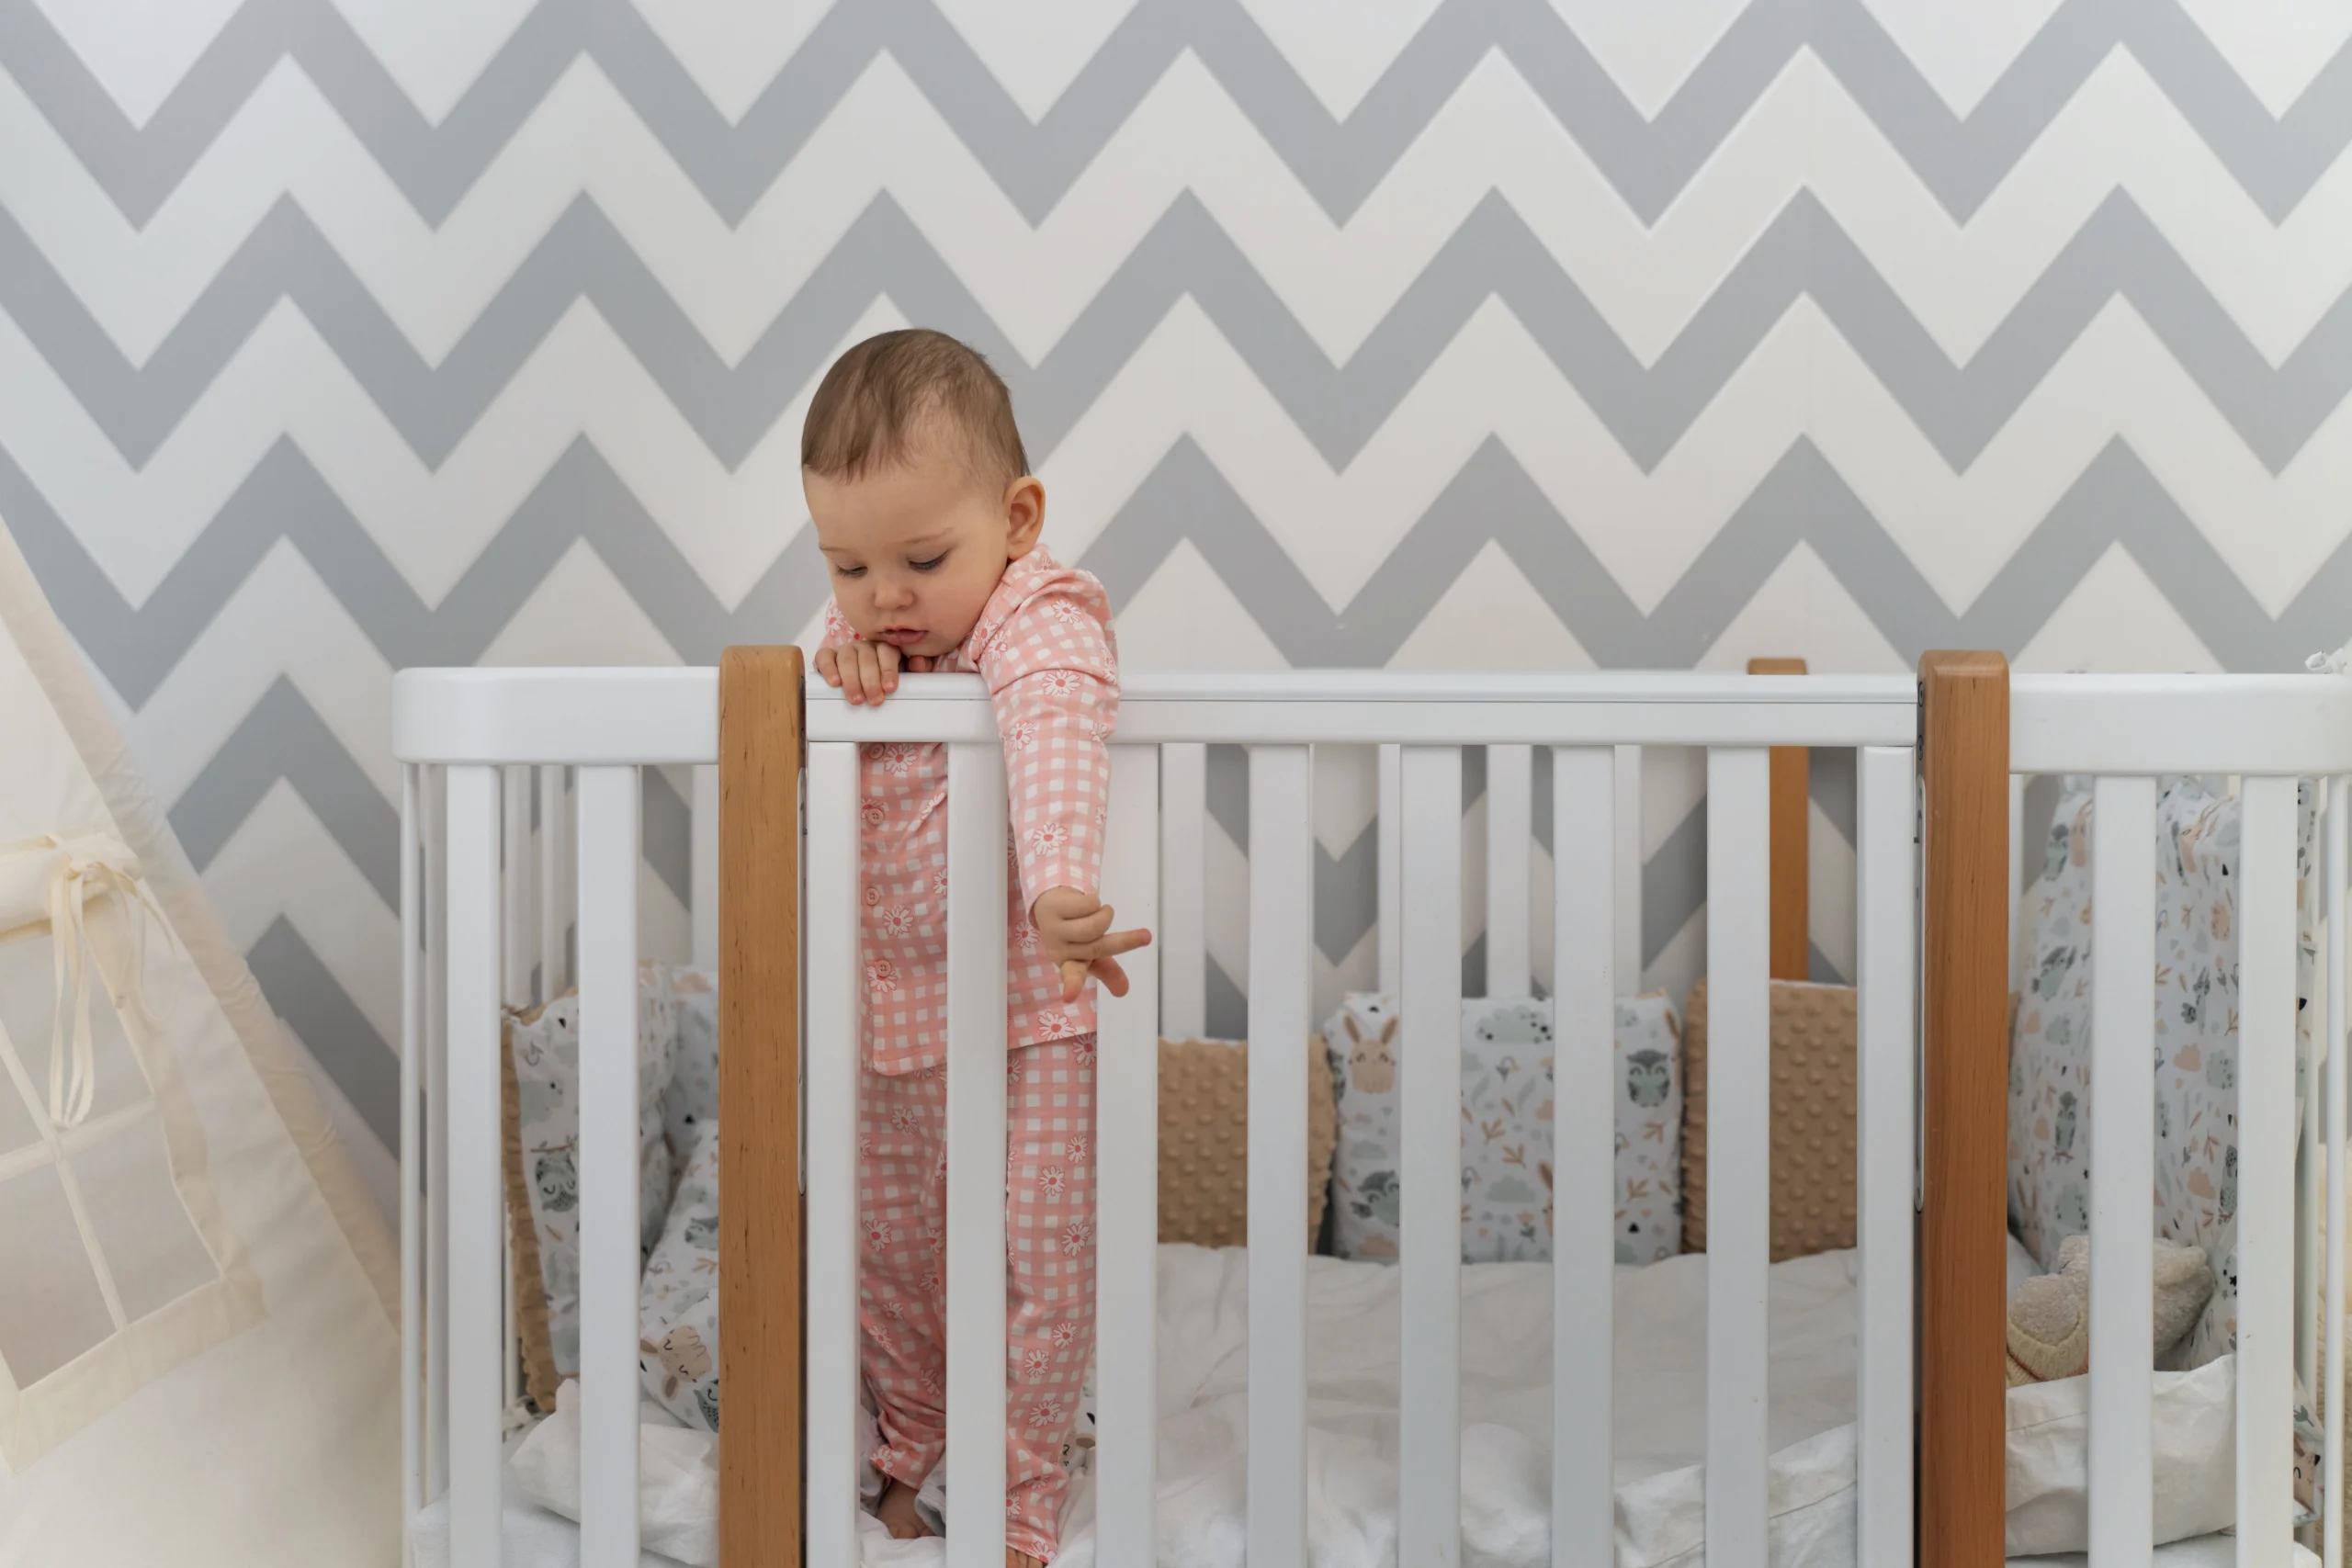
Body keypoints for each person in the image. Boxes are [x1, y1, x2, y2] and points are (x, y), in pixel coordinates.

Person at [805, 328, 1148, 1566]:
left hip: (1028, 1010)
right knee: (894, 1260)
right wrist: (833, 663)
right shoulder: (865, 645)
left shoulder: (1035, 606)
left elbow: (1055, 714)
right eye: (847, 563)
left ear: (1016, 517)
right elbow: (816, 700)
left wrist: (1061, 883)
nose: (884, 595)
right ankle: (914, 1445)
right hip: (892, 1021)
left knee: (1034, 1262)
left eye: (921, 557)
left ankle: (1018, 1490)